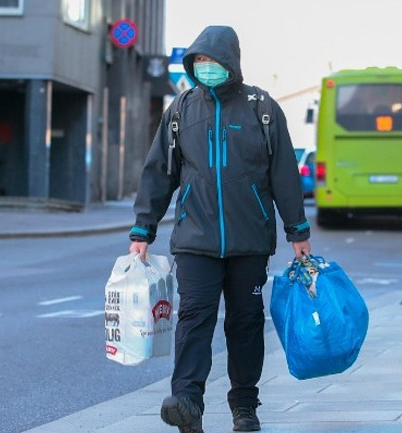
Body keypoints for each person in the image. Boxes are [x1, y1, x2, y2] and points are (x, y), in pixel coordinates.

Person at [128, 26, 310, 433]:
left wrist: (297, 231)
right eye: (200, 62)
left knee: (245, 322)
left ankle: (245, 406)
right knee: (193, 317)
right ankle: (187, 402)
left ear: (231, 62)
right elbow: (160, 172)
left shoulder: (261, 108)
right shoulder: (180, 111)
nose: (206, 68)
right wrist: (143, 229)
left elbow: (283, 173)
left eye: (213, 61)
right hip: (195, 240)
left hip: (250, 241)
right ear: (192, 65)